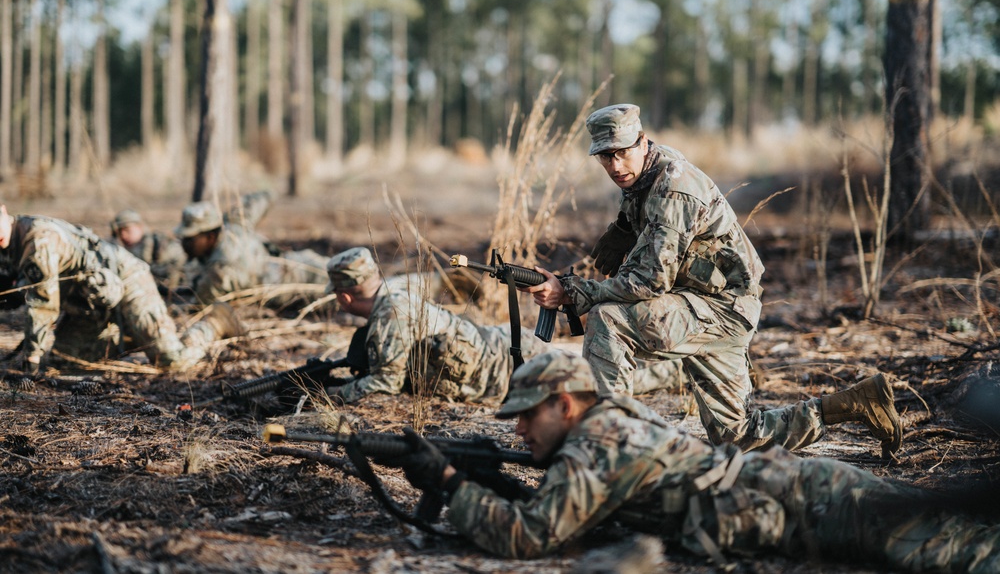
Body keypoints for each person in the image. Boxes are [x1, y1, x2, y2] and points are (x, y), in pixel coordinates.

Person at [388, 351, 998, 572]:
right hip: (800, 489)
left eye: (528, 415)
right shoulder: (606, 422)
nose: (519, 429)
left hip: (812, 507)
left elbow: (528, 537)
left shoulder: (599, 445)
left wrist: (447, 481)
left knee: (967, 552)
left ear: (567, 404)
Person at [521, 104, 902, 457]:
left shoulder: (674, 187)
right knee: (737, 436)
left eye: (623, 152)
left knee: (609, 319)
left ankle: (609, 448)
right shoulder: (644, 177)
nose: (616, 164)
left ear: (642, 140)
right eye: (606, 156)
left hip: (722, 309)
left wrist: (571, 292)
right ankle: (855, 403)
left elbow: (650, 282)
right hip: (707, 304)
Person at [324, 247, 683, 404]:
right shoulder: (395, 292)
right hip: (506, 348)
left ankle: (679, 371)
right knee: (592, 363)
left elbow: (385, 382)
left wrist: (332, 395)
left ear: (344, 298)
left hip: (508, 367)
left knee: (599, 379)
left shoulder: (390, 313)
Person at [0, 204, 240, 373]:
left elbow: (43, 303)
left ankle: (216, 321)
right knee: (67, 361)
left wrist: (32, 357)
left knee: (172, 361)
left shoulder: (38, 238)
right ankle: (130, 334)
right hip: (91, 302)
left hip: (126, 279)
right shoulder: (9, 243)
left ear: (3, 210)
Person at [176, 191, 329, 307]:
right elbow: (263, 197)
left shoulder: (219, 272)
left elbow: (198, 306)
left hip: (302, 286)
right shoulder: (234, 223)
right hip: (301, 260)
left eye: (190, 239)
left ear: (209, 237)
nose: (184, 243)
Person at [109, 208, 189, 292]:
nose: (123, 235)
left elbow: (181, 259)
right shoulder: (120, 250)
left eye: (127, 230)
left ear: (139, 227)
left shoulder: (159, 245)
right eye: (120, 232)